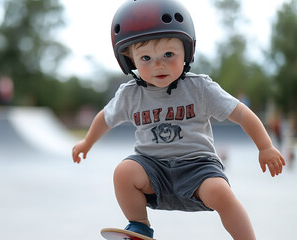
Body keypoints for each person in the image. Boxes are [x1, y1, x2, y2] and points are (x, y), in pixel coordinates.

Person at [71, 0, 285, 239]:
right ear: (129, 60)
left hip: (198, 167)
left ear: (187, 51)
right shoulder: (130, 94)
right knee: (123, 172)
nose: (158, 64)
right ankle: (140, 226)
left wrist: (265, 146)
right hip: (152, 169)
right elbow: (105, 118)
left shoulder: (200, 88)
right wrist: (87, 143)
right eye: (145, 59)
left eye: (168, 54)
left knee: (221, 192)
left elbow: (242, 114)